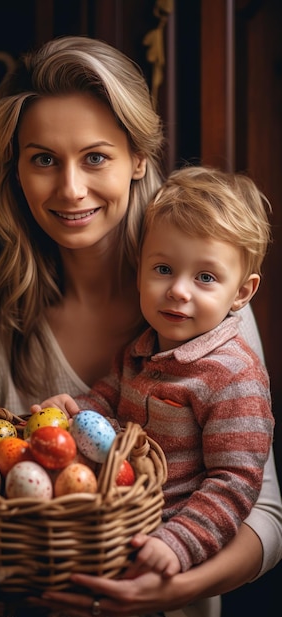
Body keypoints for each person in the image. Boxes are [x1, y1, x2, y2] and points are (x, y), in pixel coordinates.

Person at [0, 35, 281, 617]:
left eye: (95, 156)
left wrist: (168, 587)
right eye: (43, 158)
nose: (70, 189)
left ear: (138, 158)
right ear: (17, 170)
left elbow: (264, 512)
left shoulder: (209, 307)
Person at [36, 165, 275, 579]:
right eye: (163, 269)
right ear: (140, 267)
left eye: (205, 277)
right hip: (111, 519)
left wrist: (177, 543)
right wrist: (71, 414)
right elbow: (105, 399)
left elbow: (235, 482)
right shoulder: (141, 349)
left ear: (241, 293)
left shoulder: (233, 377)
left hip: (163, 537)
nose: (178, 290)